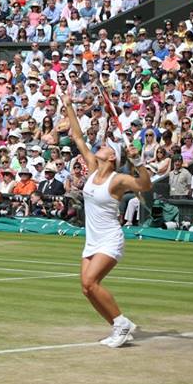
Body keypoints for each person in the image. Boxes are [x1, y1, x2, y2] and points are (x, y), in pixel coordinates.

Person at [61, 92, 150, 348]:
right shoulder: (91, 167)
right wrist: (68, 106)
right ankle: (118, 325)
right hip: (92, 240)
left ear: (113, 158)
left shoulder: (118, 180)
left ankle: (121, 323)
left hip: (111, 239)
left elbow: (143, 185)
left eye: (108, 147)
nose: (102, 146)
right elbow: (77, 136)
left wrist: (139, 160)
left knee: (91, 282)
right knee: (86, 289)